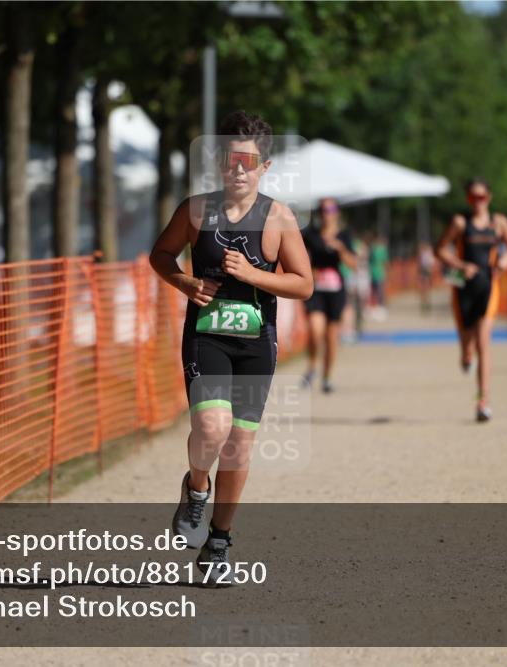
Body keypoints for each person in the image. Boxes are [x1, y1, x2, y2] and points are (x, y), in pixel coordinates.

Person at [149, 110, 313, 584]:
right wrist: (183, 281)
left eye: (248, 161)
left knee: (239, 445)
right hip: (207, 336)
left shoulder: (278, 217)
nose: (238, 169)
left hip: (256, 344)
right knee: (211, 429)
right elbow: (159, 255)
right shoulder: (196, 211)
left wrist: (253, 274)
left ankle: (218, 545)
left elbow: (304, 285)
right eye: (229, 159)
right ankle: (196, 489)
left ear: (264, 167)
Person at [435, 177, 507, 422]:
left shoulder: (499, 223)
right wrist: (461, 265)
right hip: (463, 287)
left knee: (484, 343)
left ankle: (483, 401)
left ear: (489, 198)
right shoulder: (460, 223)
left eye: (481, 197)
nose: (477, 202)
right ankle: (465, 355)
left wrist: (505, 260)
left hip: (488, 287)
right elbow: (439, 250)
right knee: (467, 344)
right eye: (472, 197)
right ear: (468, 199)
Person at [301, 198, 358, 393]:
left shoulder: (344, 235)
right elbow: (299, 257)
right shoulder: (310, 235)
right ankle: (311, 366)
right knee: (315, 331)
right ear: (319, 213)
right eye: (324, 210)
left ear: (337, 213)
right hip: (316, 290)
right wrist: (309, 270)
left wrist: (340, 249)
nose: (327, 213)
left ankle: (327, 377)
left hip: (336, 291)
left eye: (331, 209)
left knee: (331, 337)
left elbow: (354, 264)